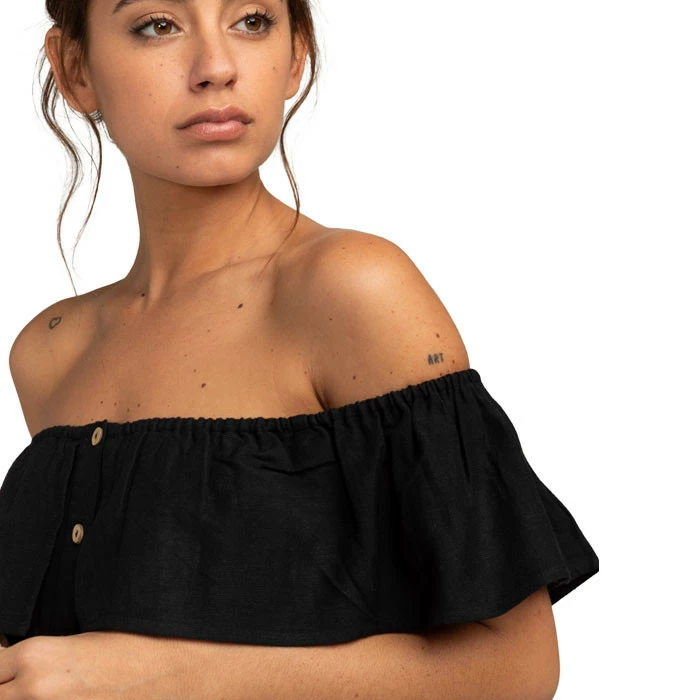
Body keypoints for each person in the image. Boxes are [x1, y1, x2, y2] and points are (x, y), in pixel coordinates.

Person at [0, 1, 598, 697]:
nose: (216, 67)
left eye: (251, 20)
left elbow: (518, 669)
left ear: (296, 54)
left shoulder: (353, 291)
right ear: (76, 70)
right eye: (158, 24)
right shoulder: (50, 352)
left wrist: (167, 677)